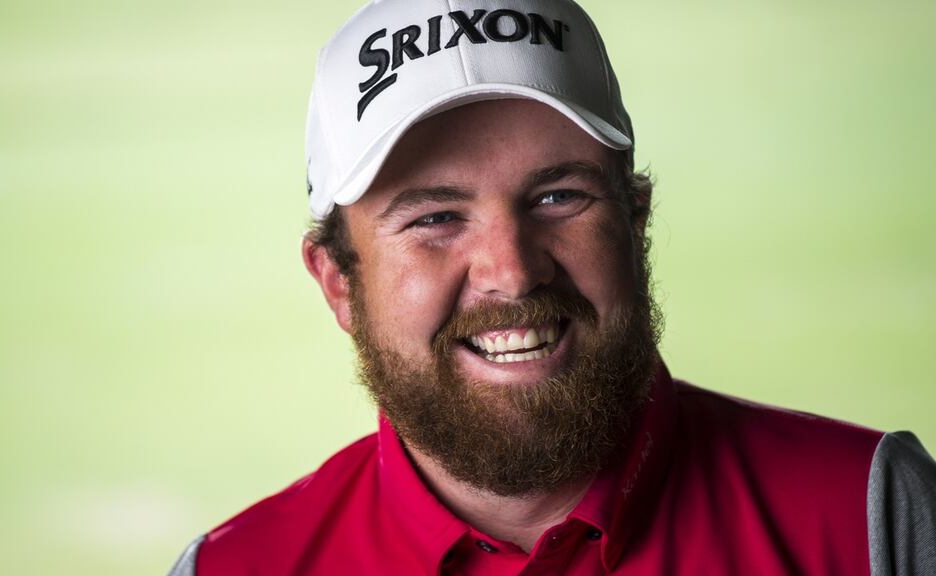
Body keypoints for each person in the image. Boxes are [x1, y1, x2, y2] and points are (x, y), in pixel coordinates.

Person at [169, 0, 936, 574]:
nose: (512, 271)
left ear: (635, 223)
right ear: (338, 280)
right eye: (436, 216)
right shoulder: (233, 569)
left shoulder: (870, 519)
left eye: (559, 197)